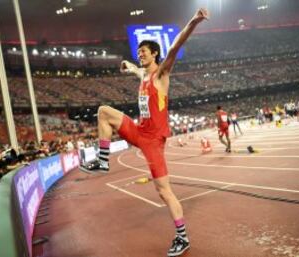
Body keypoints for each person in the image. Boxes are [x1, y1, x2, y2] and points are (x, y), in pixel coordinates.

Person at [85, 8, 210, 256]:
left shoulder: (161, 74)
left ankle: (182, 237)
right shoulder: (143, 74)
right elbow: (137, 70)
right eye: (138, 51)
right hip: (139, 131)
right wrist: (129, 66)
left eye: (144, 51)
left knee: (164, 191)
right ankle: (101, 161)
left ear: (155, 53)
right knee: (103, 111)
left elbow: (175, 46)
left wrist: (194, 21)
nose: (140, 54)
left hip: (153, 140)